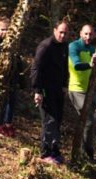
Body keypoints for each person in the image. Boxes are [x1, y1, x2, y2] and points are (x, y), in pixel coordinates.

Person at [31, 20, 69, 165]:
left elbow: (64, 67)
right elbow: (36, 69)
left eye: (65, 33)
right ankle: (44, 152)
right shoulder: (45, 46)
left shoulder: (64, 46)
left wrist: (64, 85)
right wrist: (37, 90)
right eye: (60, 32)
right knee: (49, 120)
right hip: (45, 89)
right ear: (54, 30)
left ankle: (55, 149)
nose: (62, 35)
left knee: (58, 119)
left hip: (58, 89)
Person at [68, 24, 96, 161]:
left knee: (91, 121)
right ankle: (84, 153)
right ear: (81, 33)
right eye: (85, 34)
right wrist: (90, 64)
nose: (88, 37)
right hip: (77, 90)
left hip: (90, 89)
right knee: (87, 121)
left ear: (94, 35)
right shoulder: (74, 46)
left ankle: (87, 151)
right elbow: (76, 64)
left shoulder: (93, 49)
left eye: (90, 34)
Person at [0, 16, 22, 138]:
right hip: (1, 77)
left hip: (12, 77)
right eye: (2, 29)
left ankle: (8, 123)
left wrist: (21, 79)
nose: (5, 32)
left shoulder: (12, 44)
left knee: (11, 101)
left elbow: (18, 61)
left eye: (7, 30)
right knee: (2, 102)